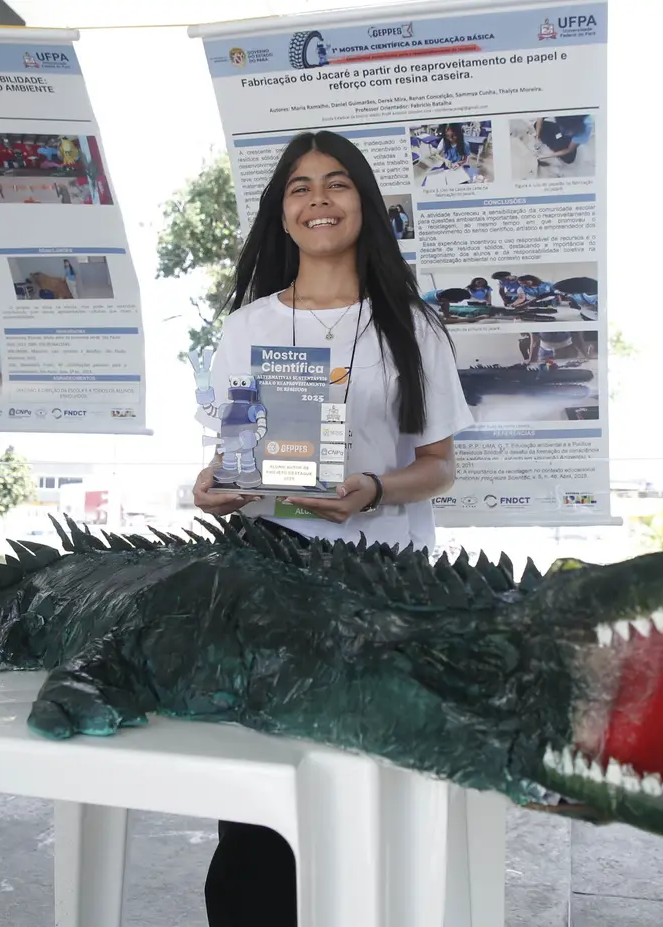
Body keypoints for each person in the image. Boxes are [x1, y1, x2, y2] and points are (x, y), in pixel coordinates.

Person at [191, 129, 473, 925]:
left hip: (386, 593)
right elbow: (235, 452)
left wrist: (374, 489)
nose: (318, 199)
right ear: (282, 216)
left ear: (366, 206)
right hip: (270, 587)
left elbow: (441, 466)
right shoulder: (247, 326)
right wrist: (214, 482)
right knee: (257, 810)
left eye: (337, 183)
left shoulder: (412, 326)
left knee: (369, 788)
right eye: (299, 188)